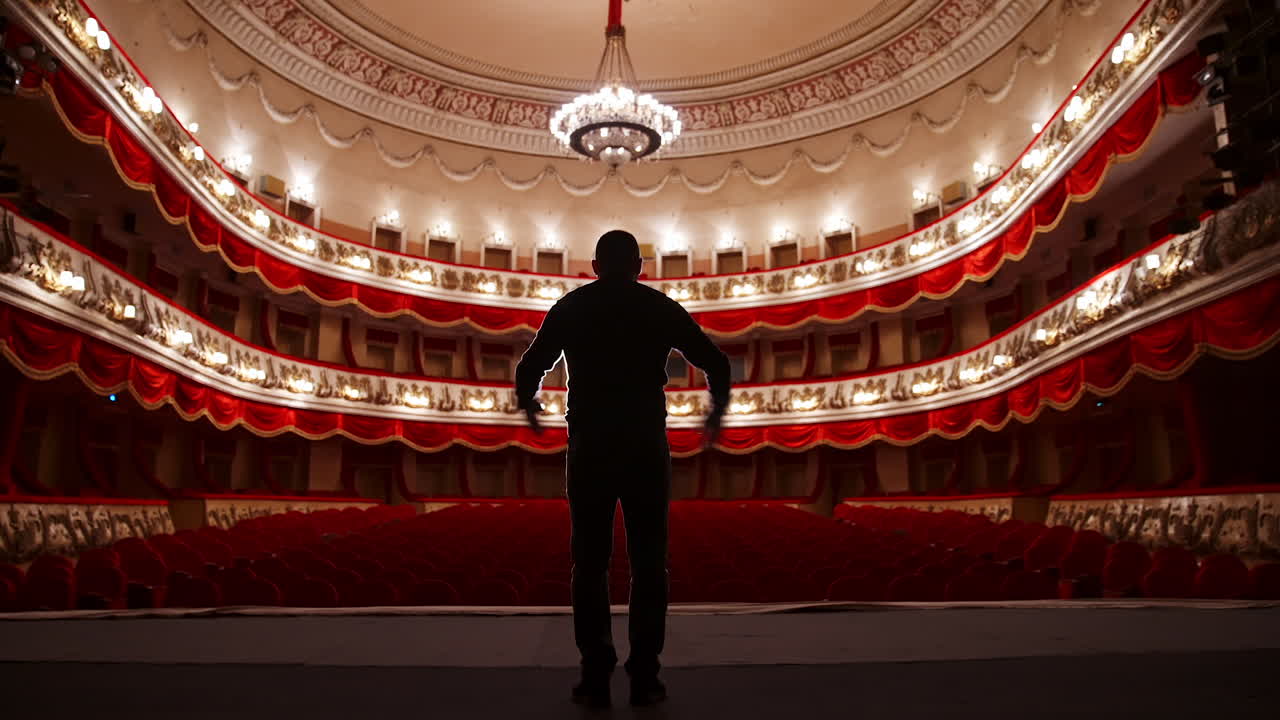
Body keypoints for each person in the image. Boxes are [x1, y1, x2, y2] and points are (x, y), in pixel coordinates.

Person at [515, 229, 730, 708]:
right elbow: (717, 362)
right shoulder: (658, 307)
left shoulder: (571, 307)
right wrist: (715, 415)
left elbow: (529, 368)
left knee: (588, 566)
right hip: (644, 446)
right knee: (650, 566)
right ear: (638, 267)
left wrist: (530, 410)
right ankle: (645, 677)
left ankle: (595, 675)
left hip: (590, 445)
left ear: (595, 266)